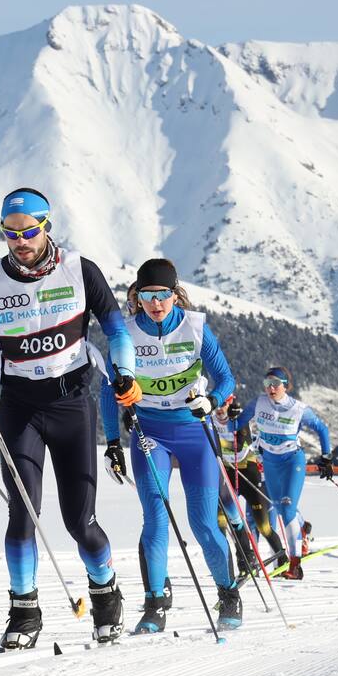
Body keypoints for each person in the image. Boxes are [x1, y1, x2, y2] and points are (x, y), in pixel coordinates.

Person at [0, 188, 135, 648]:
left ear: (47, 227)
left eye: (29, 231)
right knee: (21, 514)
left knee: (78, 520)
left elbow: (116, 329)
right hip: (20, 406)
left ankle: (106, 591)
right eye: (10, 233)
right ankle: (24, 611)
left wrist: (124, 373)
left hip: (72, 402)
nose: (20, 241)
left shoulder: (80, 270)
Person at [100, 259, 239, 633]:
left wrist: (212, 402)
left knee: (203, 523)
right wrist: (112, 442)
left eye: (163, 295)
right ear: (137, 296)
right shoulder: (125, 334)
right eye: (148, 295)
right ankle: (156, 601)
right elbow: (106, 390)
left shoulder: (195, 328)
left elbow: (225, 378)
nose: (156, 303)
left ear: (175, 295)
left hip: (194, 432)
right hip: (150, 433)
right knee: (156, 519)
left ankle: (228, 592)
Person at [234, 366, 332, 580]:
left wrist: (326, 457)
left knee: (286, 509)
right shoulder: (258, 403)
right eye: (267, 384)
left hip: (292, 461)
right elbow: (237, 424)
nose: (270, 388)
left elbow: (322, 429)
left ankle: (294, 565)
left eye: (275, 384)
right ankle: (302, 530)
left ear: (285, 386)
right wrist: (227, 417)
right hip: (269, 463)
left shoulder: (298, 409)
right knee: (279, 508)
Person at [212, 400, 287, 567]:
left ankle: (283, 559)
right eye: (217, 405)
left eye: (223, 405)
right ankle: (236, 562)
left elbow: (240, 446)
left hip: (247, 473)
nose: (219, 409)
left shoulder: (238, 419)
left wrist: (217, 444)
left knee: (263, 526)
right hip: (227, 473)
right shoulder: (211, 420)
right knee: (222, 521)